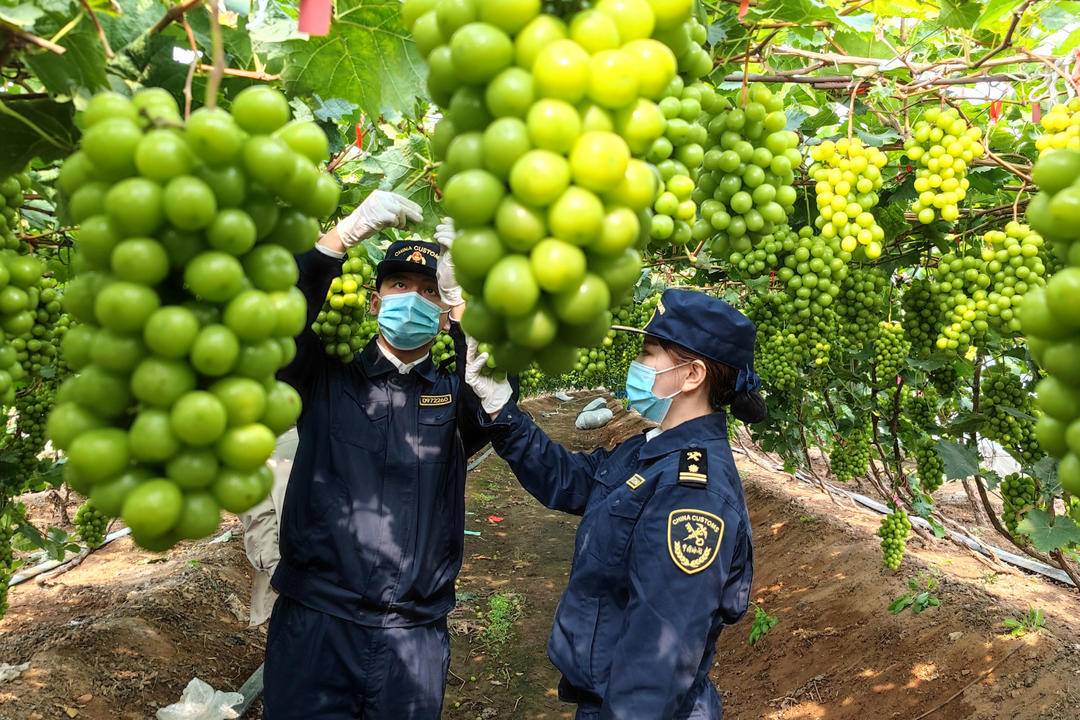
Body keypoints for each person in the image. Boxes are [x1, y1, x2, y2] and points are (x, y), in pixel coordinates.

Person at [463, 288, 766, 720]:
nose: (637, 366)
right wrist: (500, 410)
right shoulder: (650, 449)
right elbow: (569, 480)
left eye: (648, 355)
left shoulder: (693, 492)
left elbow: (659, 654)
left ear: (692, 375)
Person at [263, 190, 507, 719]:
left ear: (442, 314)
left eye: (428, 291)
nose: (412, 299)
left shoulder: (454, 391)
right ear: (375, 302)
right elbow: (278, 323)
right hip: (316, 622)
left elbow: (495, 390)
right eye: (399, 285)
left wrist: (464, 298)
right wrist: (339, 240)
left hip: (411, 635)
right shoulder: (325, 375)